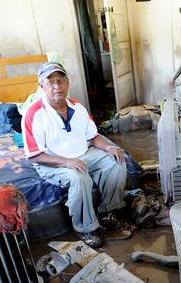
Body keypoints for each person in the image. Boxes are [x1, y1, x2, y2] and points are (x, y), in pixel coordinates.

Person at [22, 62, 126, 247]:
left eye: (60, 80)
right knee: (80, 177)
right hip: (52, 163)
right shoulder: (33, 114)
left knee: (116, 162)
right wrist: (67, 162)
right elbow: (34, 155)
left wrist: (110, 148)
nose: (57, 86)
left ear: (67, 82)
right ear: (41, 86)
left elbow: (93, 137)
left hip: (83, 154)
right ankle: (86, 227)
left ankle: (108, 211)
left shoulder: (78, 107)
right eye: (51, 82)